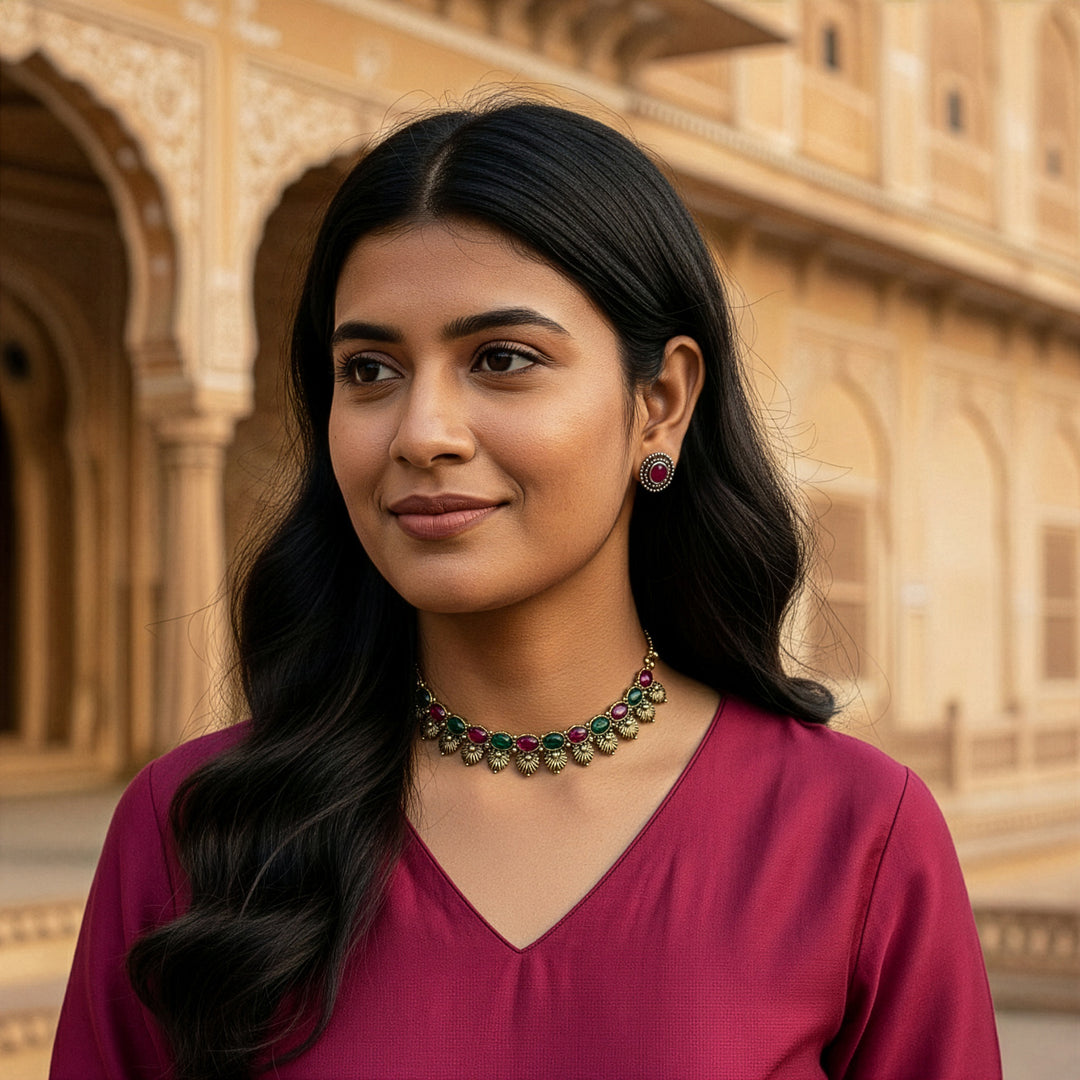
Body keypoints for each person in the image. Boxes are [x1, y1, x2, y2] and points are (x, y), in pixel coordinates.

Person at [51, 98, 1001, 1080]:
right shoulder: (197, 833)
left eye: (502, 360)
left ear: (660, 403)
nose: (422, 432)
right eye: (369, 370)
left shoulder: (850, 838)